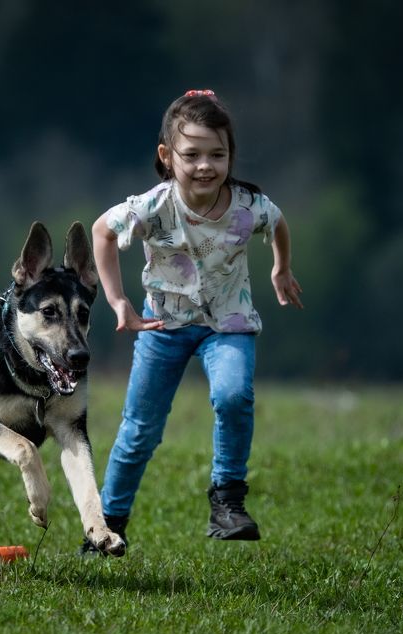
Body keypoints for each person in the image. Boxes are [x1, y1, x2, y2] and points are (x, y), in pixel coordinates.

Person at [83, 90, 303, 554]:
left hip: (229, 323)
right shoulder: (153, 207)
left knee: (232, 394)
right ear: (167, 156)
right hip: (162, 327)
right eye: (192, 155)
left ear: (231, 156)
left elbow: (278, 221)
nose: (205, 166)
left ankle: (227, 501)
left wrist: (280, 267)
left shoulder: (248, 206)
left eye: (217, 155)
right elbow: (102, 231)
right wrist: (118, 300)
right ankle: (105, 529)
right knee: (139, 433)